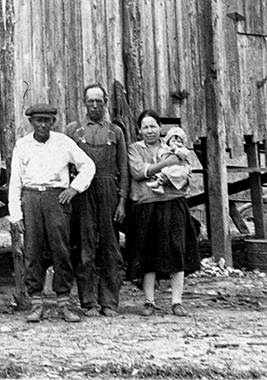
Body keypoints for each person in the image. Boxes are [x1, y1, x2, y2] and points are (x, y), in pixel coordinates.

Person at [8, 104, 96, 323]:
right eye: (38, 121)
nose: (43, 125)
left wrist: (74, 188)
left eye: (47, 120)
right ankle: (36, 303)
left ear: (53, 122)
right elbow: (15, 181)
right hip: (31, 198)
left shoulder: (63, 142)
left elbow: (88, 166)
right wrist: (16, 214)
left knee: (61, 249)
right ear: (31, 122)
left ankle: (64, 303)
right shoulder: (22, 145)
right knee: (32, 250)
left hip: (56, 198)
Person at [127, 110, 201, 317]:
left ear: (160, 128)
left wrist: (162, 170)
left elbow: (187, 173)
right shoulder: (135, 149)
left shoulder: (172, 146)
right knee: (148, 254)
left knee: (177, 251)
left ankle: (177, 302)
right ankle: (149, 301)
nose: (149, 131)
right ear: (139, 130)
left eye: (153, 126)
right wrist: (167, 164)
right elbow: (138, 172)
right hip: (146, 206)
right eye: (145, 127)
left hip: (173, 203)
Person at [67, 83, 130, 317]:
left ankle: (109, 301)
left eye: (99, 101)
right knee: (86, 246)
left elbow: (123, 167)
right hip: (83, 192)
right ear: (84, 103)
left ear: (105, 103)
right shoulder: (74, 130)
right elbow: (65, 164)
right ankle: (88, 301)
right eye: (90, 101)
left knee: (111, 246)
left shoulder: (116, 131)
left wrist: (122, 200)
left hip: (108, 190)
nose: (95, 105)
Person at [146, 127, 191, 194]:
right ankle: (160, 187)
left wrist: (176, 150)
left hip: (179, 168)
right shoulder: (166, 149)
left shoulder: (183, 150)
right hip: (169, 167)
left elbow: (183, 155)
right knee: (163, 171)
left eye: (179, 141)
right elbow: (161, 156)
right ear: (168, 142)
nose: (176, 143)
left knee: (169, 172)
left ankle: (158, 183)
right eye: (173, 141)